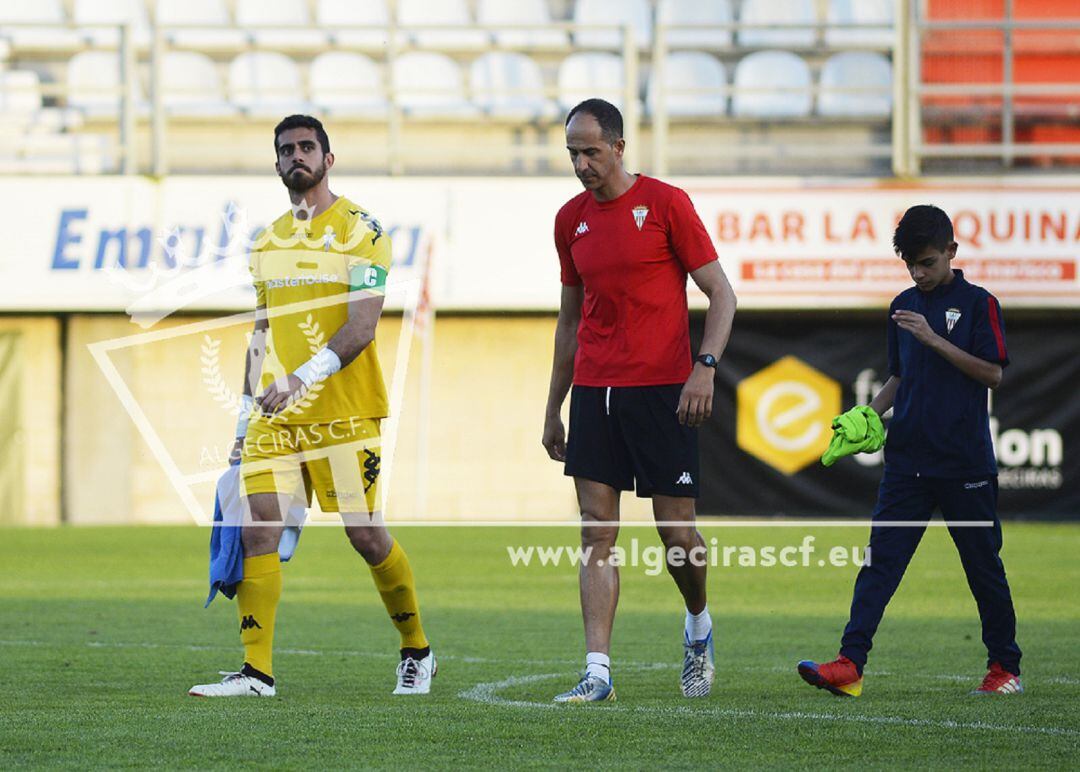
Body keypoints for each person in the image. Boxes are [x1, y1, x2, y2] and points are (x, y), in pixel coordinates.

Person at [190, 115, 435, 697]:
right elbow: (260, 333)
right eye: (285, 150)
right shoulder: (266, 241)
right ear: (276, 165)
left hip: (345, 414)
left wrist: (302, 377)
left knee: (365, 535)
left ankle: (416, 650)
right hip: (275, 419)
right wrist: (245, 416)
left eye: (306, 147)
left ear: (329, 158)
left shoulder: (362, 230)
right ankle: (256, 673)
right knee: (257, 530)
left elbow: (363, 326)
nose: (296, 156)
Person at [542, 99, 737, 703]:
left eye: (591, 152)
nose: (581, 164)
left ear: (620, 147)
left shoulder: (667, 204)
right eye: (573, 152)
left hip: (664, 391)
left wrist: (704, 368)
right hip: (597, 392)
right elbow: (570, 322)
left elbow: (721, 295)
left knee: (677, 534)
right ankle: (597, 670)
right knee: (596, 534)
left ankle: (698, 624)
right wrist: (553, 406)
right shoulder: (567, 220)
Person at [798, 205, 1023, 697]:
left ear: (951, 252)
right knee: (880, 563)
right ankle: (850, 664)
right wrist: (868, 414)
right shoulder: (902, 304)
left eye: (926, 263)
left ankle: (1005, 668)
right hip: (908, 463)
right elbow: (901, 376)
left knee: (983, 567)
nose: (918, 274)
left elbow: (993, 374)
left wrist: (934, 338)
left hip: (965, 462)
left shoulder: (979, 303)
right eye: (910, 265)